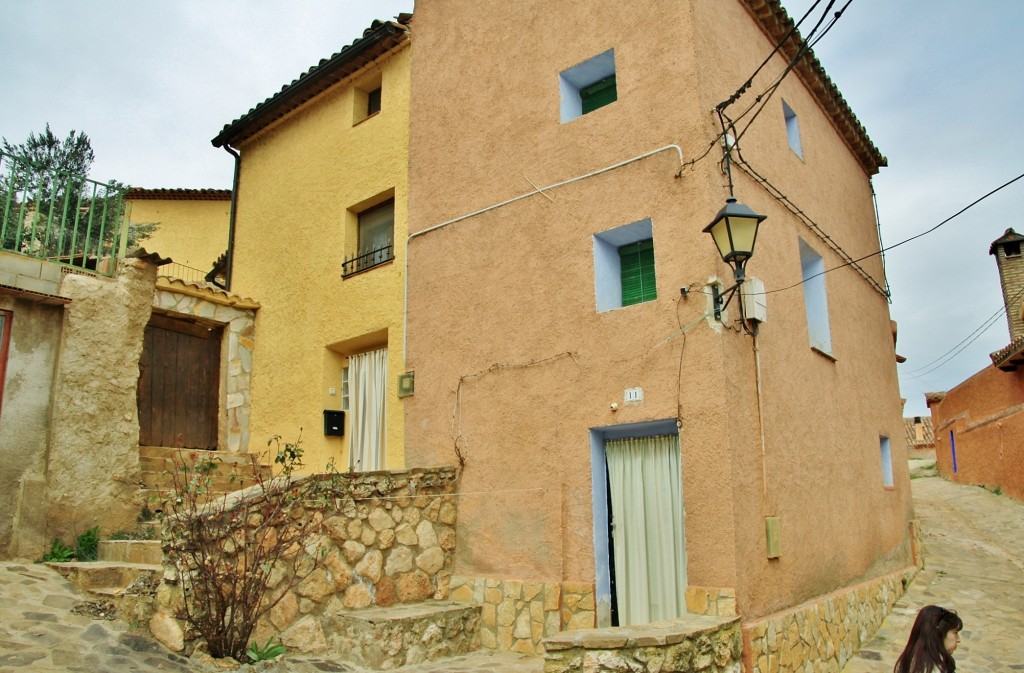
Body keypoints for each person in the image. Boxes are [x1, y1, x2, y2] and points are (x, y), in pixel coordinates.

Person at [894, 605, 963, 673]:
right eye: (955, 633)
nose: (958, 640)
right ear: (939, 634)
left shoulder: (910, 660)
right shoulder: (932, 667)